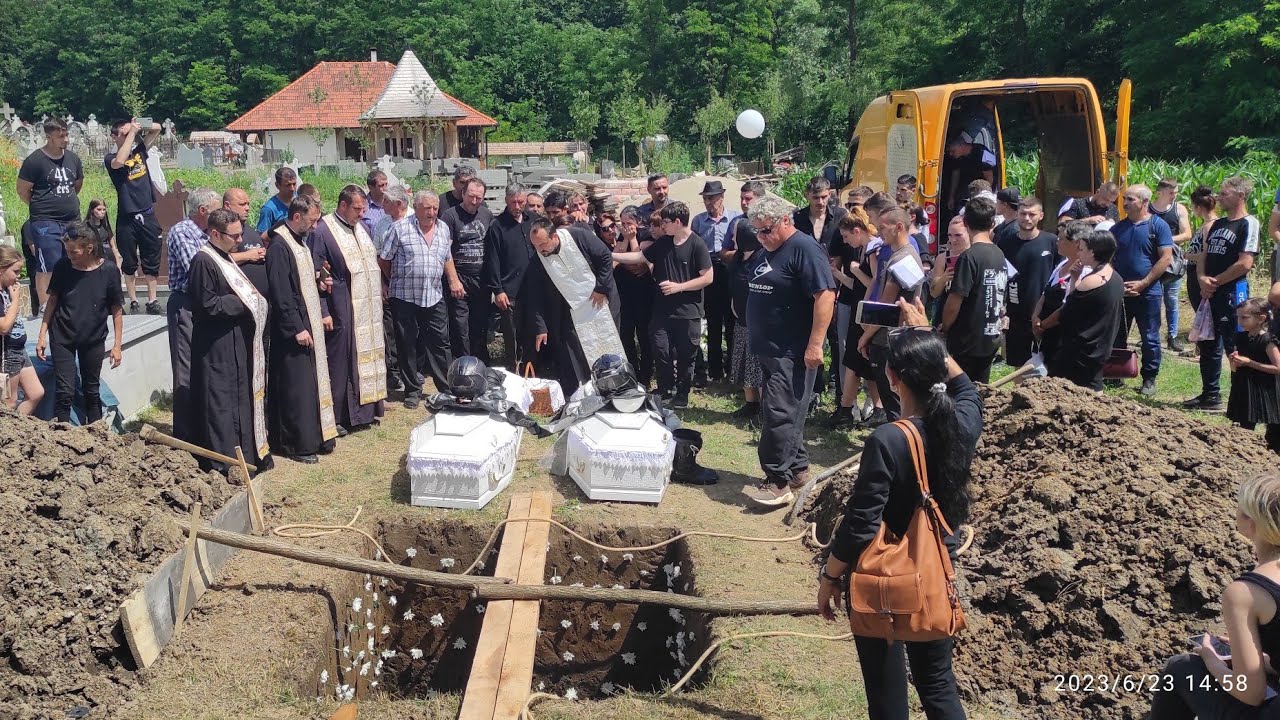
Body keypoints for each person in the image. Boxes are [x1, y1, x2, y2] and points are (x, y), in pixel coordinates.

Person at [818, 302, 981, 720]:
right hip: (933, 570)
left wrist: (831, 575)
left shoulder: (889, 440)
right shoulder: (962, 424)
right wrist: (926, 336)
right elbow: (967, 390)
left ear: (892, 377)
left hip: (884, 578)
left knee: (887, 692)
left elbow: (860, 523)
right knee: (938, 685)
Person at [1150, 472, 1280, 717]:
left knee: (1181, 669)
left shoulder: (1247, 592)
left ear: (1252, 524)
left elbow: (1251, 692)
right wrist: (1267, 661)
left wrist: (1212, 661)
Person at [741, 195, 836, 508]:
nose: (761, 237)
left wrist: (815, 344)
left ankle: (777, 482)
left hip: (792, 350)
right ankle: (796, 470)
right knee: (780, 408)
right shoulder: (770, 247)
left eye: (766, 230)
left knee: (781, 412)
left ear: (785, 220)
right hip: (768, 347)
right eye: (756, 232)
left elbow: (825, 296)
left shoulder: (805, 249)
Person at [187, 209, 272, 474]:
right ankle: (223, 461)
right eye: (234, 236)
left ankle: (246, 454)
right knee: (220, 402)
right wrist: (242, 301)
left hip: (235, 340)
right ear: (215, 233)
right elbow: (207, 305)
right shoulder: (204, 261)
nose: (239, 241)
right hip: (215, 346)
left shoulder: (224, 257)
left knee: (239, 398)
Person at [611, 201, 713, 409]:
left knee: (686, 355)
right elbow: (639, 256)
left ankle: (682, 394)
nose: (662, 225)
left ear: (677, 221)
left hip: (687, 312)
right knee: (661, 350)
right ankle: (665, 390)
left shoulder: (697, 244)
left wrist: (680, 287)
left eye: (666, 221)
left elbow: (708, 277)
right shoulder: (664, 243)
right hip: (661, 311)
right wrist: (609, 255)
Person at [264, 194, 337, 463]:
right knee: (295, 388)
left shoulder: (300, 241)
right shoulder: (279, 246)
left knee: (310, 384)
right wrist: (296, 327)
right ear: (297, 217)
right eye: (312, 221)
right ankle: (295, 443)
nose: (315, 226)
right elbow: (282, 292)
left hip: (307, 322)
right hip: (292, 331)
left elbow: (299, 282)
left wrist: (317, 283)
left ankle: (315, 436)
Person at [310, 185, 387, 433]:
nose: (362, 212)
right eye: (357, 208)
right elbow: (315, 275)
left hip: (368, 308)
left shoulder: (362, 227)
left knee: (366, 356)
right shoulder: (323, 231)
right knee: (342, 360)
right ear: (343, 205)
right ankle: (342, 416)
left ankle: (367, 410)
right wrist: (323, 311)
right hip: (341, 308)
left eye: (364, 207)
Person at [34, 222, 124, 423]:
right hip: (62, 336)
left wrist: (117, 346)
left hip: (93, 338)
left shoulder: (108, 271)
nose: (69, 255)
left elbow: (117, 311)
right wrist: (42, 334)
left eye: (74, 252)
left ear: (89, 248)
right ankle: (64, 436)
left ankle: (97, 435)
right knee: (64, 391)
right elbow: (52, 301)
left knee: (92, 390)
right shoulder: (63, 267)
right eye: (66, 251)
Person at [525, 216, 624, 398]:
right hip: (574, 312)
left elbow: (604, 256)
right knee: (578, 354)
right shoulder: (539, 258)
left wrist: (601, 288)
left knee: (608, 347)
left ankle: (616, 388)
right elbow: (535, 294)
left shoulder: (579, 237)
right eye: (535, 246)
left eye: (542, 244)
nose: (539, 250)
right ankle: (584, 394)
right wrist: (541, 327)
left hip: (602, 303)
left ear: (554, 236)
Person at [379, 190, 460, 409]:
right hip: (404, 296)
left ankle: (446, 388)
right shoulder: (399, 229)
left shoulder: (443, 228)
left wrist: (453, 280)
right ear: (417, 208)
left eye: (435, 208)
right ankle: (412, 390)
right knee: (407, 343)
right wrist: (391, 280)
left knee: (440, 342)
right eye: (427, 208)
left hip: (433, 294)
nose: (432, 212)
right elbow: (384, 259)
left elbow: (446, 258)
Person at [1187, 177, 1261, 412]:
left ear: (1241, 195)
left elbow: (1245, 263)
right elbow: (1203, 255)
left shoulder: (1249, 223)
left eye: (1225, 193)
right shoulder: (1218, 224)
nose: (1219, 197)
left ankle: (1242, 400)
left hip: (1233, 291)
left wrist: (1216, 281)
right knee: (1207, 341)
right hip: (1210, 291)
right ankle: (1210, 395)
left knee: (1235, 344)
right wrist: (1201, 278)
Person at [859, 206, 926, 421]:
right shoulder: (908, 255)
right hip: (901, 336)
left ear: (899, 227)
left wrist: (866, 336)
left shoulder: (901, 259)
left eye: (882, 228)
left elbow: (886, 306)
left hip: (889, 339)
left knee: (893, 400)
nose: (879, 233)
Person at [165, 187, 221, 441]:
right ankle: (186, 435)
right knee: (185, 368)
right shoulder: (182, 232)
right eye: (216, 209)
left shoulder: (210, 232)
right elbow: (197, 270)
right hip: (186, 304)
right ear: (202, 211)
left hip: (206, 304)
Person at [1110, 184, 1174, 396]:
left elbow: (1165, 258)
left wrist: (1144, 283)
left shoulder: (1158, 226)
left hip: (1149, 292)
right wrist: (1119, 285)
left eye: (1130, 199)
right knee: (1118, 335)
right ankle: (1115, 374)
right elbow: (1107, 259)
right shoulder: (1118, 229)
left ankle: (1149, 378)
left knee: (1150, 337)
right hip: (1122, 292)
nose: (1125, 203)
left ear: (1144, 202)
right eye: (1125, 199)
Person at [17, 117, 84, 311]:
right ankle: (46, 305)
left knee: (74, 258)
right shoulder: (35, 161)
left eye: (66, 134)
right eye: (61, 136)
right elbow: (23, 190)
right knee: (48, 263)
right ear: (49, 137)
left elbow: (77, 185)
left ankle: (71, 300)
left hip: (71, 219)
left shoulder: (73, 159)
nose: (66, 139)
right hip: (45, 221)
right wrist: (42, 206)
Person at [940, 196, 1007, 383]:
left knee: (961, 392)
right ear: (992, 223)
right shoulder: (999, 254)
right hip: (991, 336)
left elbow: (955, 301)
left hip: (967, 339)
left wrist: (945, 327)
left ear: (966, 222)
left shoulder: (969, 257)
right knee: (980, 390)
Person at [1048, 230, 1125, 391]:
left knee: (1064, 390)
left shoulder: (1090, 282)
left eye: (1082, 249)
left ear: (1093, 252)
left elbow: (1067, 311)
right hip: (1101, 346)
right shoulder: (1115, 277)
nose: (1079, 253)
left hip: (1081, 350)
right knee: (1093, 385)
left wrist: (1075, 279)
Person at [827, 208, 881, 428]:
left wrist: (857, 271)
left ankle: (849, 409)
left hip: (866, 313)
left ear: (857, 231)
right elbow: (856, 286)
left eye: (846, 236)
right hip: (859, 309)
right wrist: (839, 274)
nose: (845, 242)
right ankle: (853, 408)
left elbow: (875, 284)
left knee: (856, 361)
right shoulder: (863, 250)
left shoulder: (873, 249)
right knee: (857, 362)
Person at [105, 118, 163, 315]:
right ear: (114, 136)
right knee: (129, 261)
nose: (128, 135)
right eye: (122, 133)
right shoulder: (110, 157)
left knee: (151, 257)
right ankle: (133, 300)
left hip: (146, 213)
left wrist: (137, 125)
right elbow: (120, 162)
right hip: (127, 216)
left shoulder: (139, 150)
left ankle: (152, 299)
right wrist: (129, 134)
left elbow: (157, 129)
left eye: (128, 133)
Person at [691, 180, 742, 382]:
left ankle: (732, 369)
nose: (708, 202)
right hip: (709, 269)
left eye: (711, 198)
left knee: (731, 320)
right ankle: (714, 370)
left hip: (729, 268)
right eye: (705, 198)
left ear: (721, 197)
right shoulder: (698, 221)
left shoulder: (735, 218)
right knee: (713, 321)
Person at [440, 177, 495, 363]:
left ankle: (481, 363)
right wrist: (453, 280)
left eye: (478, 198)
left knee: (480, 324)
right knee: (460, 325)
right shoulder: (450, 216)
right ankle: (463, 363)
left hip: (481, 280)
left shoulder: (487, 215)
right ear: (463, 193)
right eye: (471, 196)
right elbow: (444, 250)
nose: (474, 201)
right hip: (459, 278)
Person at [998, 196, 1057, 367]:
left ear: (1041, 215)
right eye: (1023, 214)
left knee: (1046, 362)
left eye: (1032, 214)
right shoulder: (1006, 241)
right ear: (1017, 214)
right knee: (1019, 364)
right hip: (1016, 313)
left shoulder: (1051, 242)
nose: (1027, 218)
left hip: (1044, 314)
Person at [484, 184, 536, 372]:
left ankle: (532, 371)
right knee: (512, 337)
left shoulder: (534, 221)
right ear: (506, 201)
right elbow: (493, 260)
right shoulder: (497, 227)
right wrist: (498, 290)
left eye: (520, 202)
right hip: (509, 292)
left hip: (533, 290)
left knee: (532, 333)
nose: (517, 206)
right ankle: (513, 372)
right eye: (513, 202)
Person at [728, 182, 768, 421]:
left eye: (736, 236)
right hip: (740, 316)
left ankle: (764, 408)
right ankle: (750, 403)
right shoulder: (739, 259)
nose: (733, 239)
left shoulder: (762, 258)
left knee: (757, 366)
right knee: (743, 362)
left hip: (758, 321)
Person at [1032, 221, 1092, 365]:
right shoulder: (1061, 264)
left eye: (1061, 239)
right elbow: (1045, 294)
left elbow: (1067, 307)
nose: (1057, 242)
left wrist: (1043, 326)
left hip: (1063, 337)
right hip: (1047, 335)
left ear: (1076, 243)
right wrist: (1035, 317)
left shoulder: (1085, 272)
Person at [1226, 299, 1280, 453]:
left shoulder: (1267, 340)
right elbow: (1235, 368)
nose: (1240, 321)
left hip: (1265, 387)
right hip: (1244, 386)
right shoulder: (1240, 337)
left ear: (1261, 319)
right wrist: (1234, 362)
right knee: (1243, 425)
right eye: (1238, 317)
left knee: (1274, 428)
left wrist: (1250, 362)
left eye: (1244, 317)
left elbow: (1278, 367)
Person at [372, 184, 410, 391]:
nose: (382, 204)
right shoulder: (382, 224)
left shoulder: (415, 218)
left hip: (412, 288)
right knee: (392, 331)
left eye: (386, 201)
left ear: (398, 204)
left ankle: (414, 370)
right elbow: (377, 257)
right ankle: (394, 372)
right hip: (390, 287)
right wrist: (383, 284)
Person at [613, 207, 656, 389]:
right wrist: (625, 241)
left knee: (645, 337)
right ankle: (631, 372)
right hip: (625, 296)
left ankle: (645, 375)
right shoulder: (621, 236)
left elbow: (639, 261)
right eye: (622, 224)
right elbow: (615, 261)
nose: (625, 227)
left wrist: (632, 240)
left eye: (629, 223)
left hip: (644, 295)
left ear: (638, 222)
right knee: (626, 336)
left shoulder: (646, 235)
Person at [0, 246, 44, 415]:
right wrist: (16, 300)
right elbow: (4, 327)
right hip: (6, 352)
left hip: (19, 349)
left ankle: (20, 429)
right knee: (8, 403)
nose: (18, 277)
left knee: (35, 393)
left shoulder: (7, 290)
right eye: (15, 272)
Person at [1152, 178, 1193, 352]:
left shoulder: (1179, 209)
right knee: (1153, 299)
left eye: (1176, 193)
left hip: (1173, 261)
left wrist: (1164, 240)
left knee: (1172, 299)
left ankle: (1172, 336)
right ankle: (1152, 334)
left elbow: (1187, 234)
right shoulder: (1148, 209)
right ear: (1159, 193)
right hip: (1151, 260)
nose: (1174, 196)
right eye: (1171, 193)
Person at [1187, 184, 1221, 312]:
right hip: (1194, 272)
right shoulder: (1206, 224)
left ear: (1199, 207)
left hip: (1200, 273)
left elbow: (1206, 254)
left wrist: (1185, 255)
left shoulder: (1209, 226)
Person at [258, 167, 298, 234]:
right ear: (277, 185)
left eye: (294, 184)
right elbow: (262, 237)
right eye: (288, 185)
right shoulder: (269, 209)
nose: (292, 189)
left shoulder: (300, 200)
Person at [85, 199, 114, 264]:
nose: (102, 212)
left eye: (104, 209)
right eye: (99, 209)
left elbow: (113, 246)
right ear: (92, 210)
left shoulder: (106, 225)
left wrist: (118, 264)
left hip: (108, 258)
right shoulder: (86, 226)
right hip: (93, 258)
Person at [361, 169, 388, 238]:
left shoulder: (392, 203)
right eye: (381, 185)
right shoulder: (362, 206)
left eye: (386, 184)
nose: (385, 188)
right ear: (371, 188)